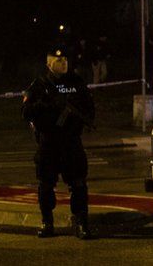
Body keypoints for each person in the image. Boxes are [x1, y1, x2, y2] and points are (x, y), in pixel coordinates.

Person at [22, 43, 96, 239]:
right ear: (48, 63)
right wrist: (45, 105)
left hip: (71, 141)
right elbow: (25, 112)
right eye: (58, 60)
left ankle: (81, 222)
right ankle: (47, 222)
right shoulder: (39, 85)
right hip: (49, 141)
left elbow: (90, 110)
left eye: (65, 60)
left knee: (79, 183)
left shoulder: (77, 82)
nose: (63, 63)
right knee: (45, 184)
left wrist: (76, 115)